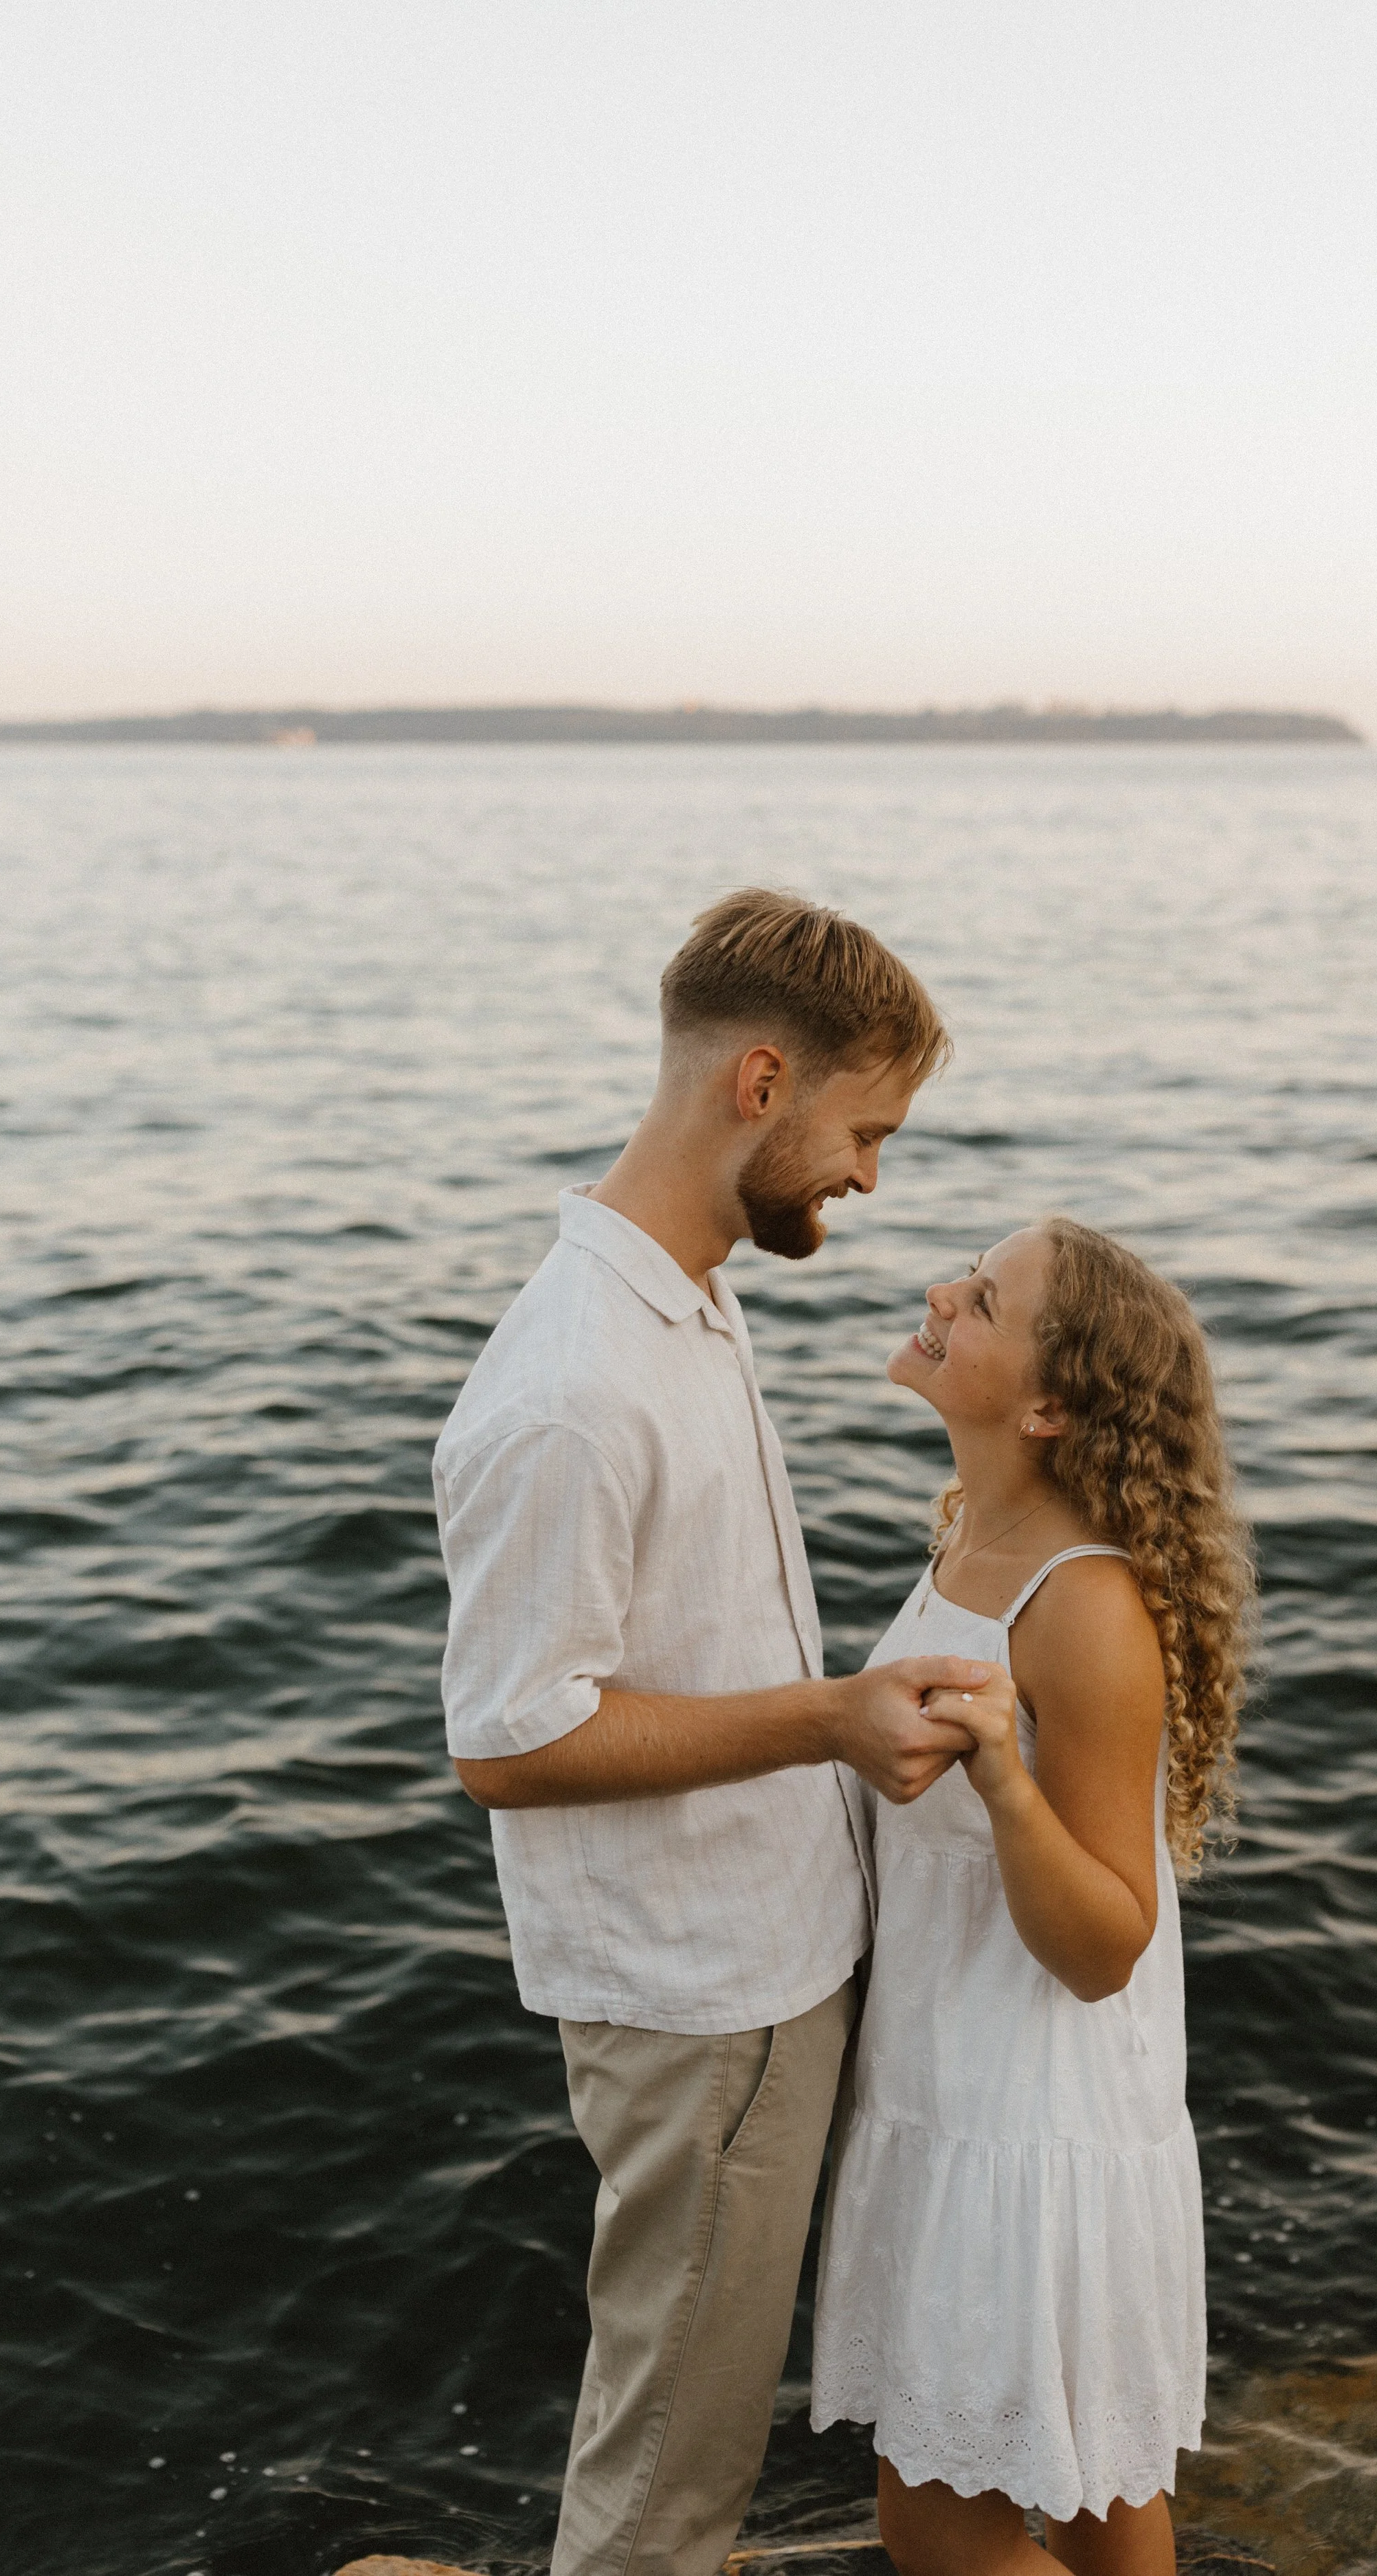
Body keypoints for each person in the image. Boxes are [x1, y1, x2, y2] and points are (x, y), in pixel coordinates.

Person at [432, 889, 990, 2576]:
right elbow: (510, 1744)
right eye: (863, 1130)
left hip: (758, 1965)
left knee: (692, 2424)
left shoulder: (689, 1297)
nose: (869, 1180)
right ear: (762, 1080)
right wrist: (829, 1718)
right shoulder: (571, 1388)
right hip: (705, 1995)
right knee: (667, 2477)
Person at [810, 1220, 1254, 2576]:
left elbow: (1107, 1942)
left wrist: (1003, 1782)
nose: (941, 1291)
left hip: (1028, 2119)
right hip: (954, 2091)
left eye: (983, 1299)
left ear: (1050, 1405)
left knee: (936, 2527)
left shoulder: (1083, 1609)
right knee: (1102, 2499)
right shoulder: (971, 1543)